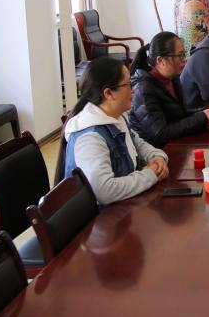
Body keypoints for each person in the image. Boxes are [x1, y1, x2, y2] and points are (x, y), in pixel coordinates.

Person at [62, 56, 170, 206]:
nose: (133, 90)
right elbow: (104, 191)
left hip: (123, 206)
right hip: (102, 216)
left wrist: (157, 157)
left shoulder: (114, 117)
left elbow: (138, 143)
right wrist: (150, 174)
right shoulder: (90, 137)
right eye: (128, 84)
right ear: (108, 93)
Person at [128, 31, 209, 147]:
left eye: (184, 54)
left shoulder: (172, 78)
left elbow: (178, 116)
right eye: (180, 55)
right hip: (155, 151)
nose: (184, 59)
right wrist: (201, 118)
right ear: (161, 61)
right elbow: (160, 134)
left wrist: (205, 113)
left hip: (173, 142)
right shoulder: (143, 89)